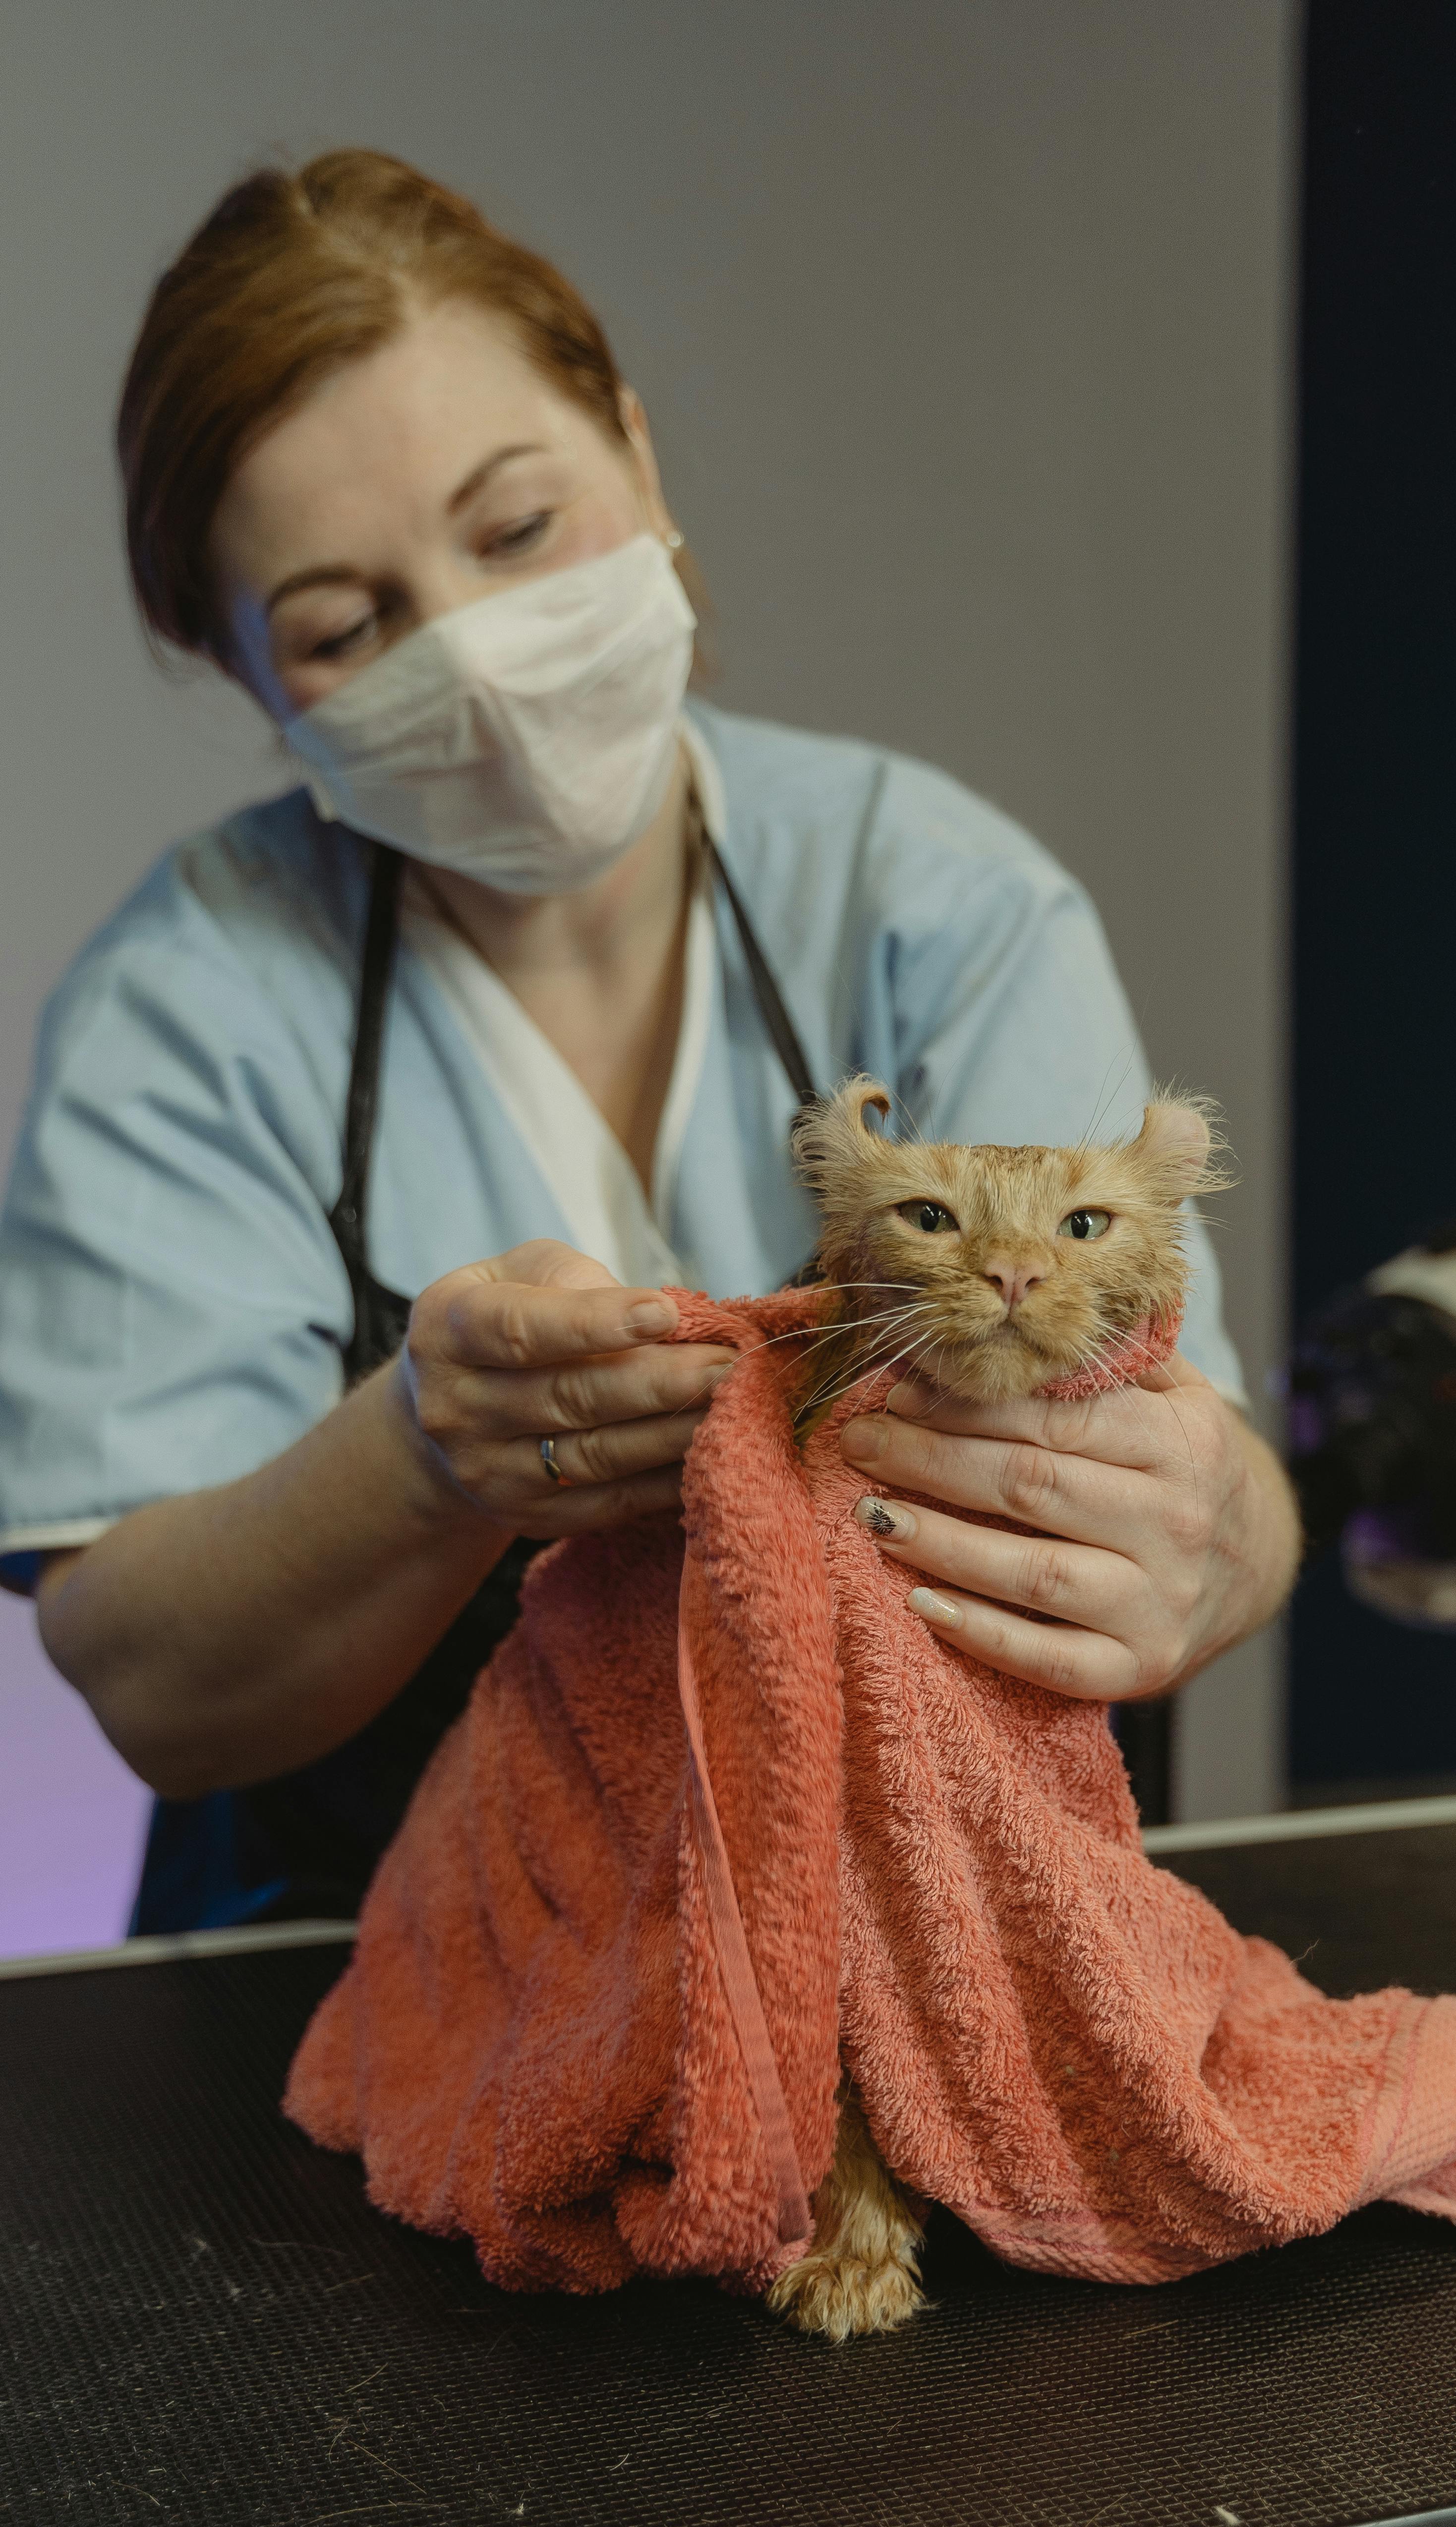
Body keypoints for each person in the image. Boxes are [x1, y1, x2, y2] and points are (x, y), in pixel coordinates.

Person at [0, 151, 1299, 1935]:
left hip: (923, 1937)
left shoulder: (934, 897)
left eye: (518, 530)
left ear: (636, 450)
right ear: (246, 680)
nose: (471, 656)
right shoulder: (193, 1005)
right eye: (341, 625)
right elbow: (153, 1687)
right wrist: (425, 1465)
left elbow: (1193, 1458)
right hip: (355, 1978)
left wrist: (1230, 1534)